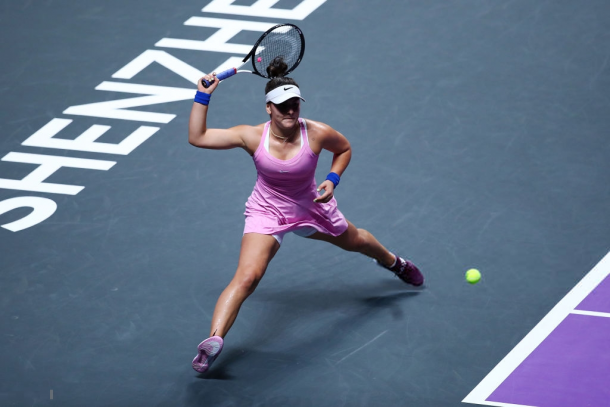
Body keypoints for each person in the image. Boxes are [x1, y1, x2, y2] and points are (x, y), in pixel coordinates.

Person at [188, 58, 423, 373]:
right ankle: (213, 342)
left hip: (310, 206)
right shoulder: (251, 136)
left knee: (358, 241)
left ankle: (395, 263)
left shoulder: (317, 132)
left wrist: (332, 179)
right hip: (267, 210)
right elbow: (198, 137)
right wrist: (203, 96)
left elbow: (344, 149)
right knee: (247, 277)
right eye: (282, 105)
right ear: (268, 108)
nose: (290, 110)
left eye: (295, 104)